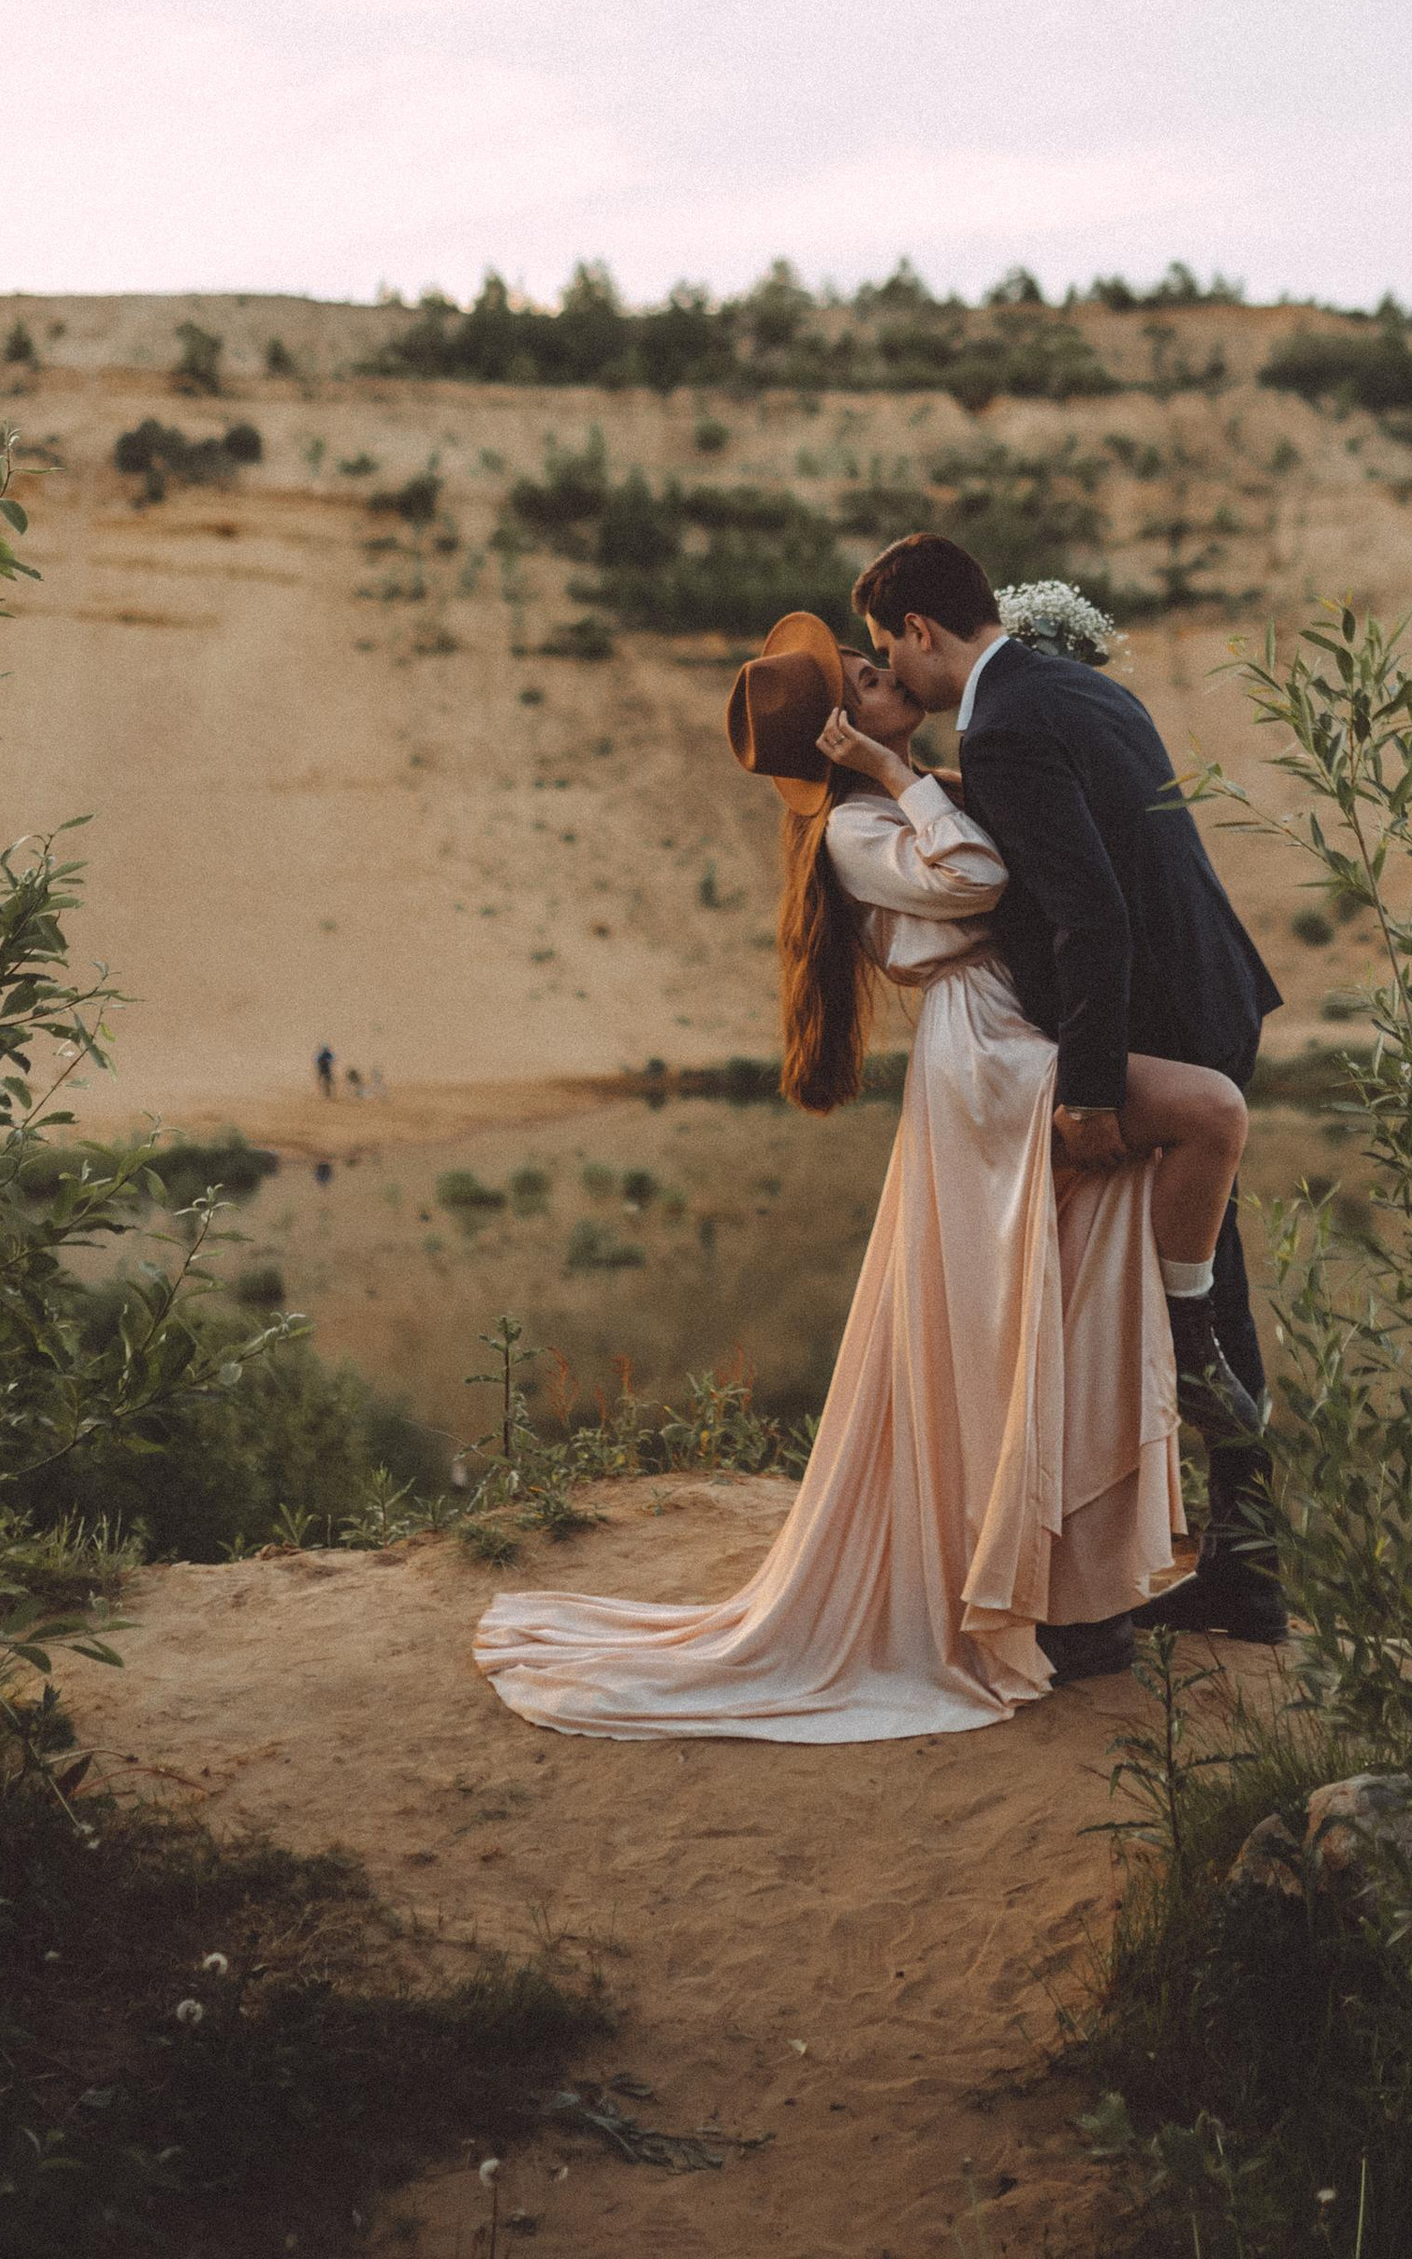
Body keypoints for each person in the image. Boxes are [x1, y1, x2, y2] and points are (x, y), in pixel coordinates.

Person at [473, 608, 1250, 1740]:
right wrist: (894, 772)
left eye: (876, 660)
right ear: (840, 730)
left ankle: (1079, 1595)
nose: (887, 672)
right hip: (991, 1062)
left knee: (1062, 1314)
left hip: (1011, 1041)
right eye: (864, 678)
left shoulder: (900, 795)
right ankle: (1184, 1357)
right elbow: (981, 877)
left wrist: (921, 774)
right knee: (1192, 1130)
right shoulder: (855, 826)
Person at [852, 532, 1286, 1660]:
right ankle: (1245, 1570)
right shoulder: (1078, 689)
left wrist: (1089, 1091)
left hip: (1155, 1024)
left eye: (887, 650)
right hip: (1214, 996)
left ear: (918, 628)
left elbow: (1088, 913)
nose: (890, 672)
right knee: (1209, 1291)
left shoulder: (1000, 726)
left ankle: (1114, 1581)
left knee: (1137, 1301)